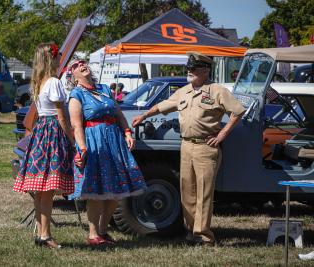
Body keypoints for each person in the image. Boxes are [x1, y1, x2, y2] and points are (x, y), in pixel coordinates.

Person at [132, 52, 246, 246]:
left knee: (203, 193)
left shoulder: (217, 91)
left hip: (205, 148)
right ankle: (191, 233)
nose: (189, 72)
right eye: (188, 69)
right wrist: (144, 115)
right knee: (187, 192)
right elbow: (162, 106)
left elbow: (237, 111)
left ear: (205, 70)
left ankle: (204, 236)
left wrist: (222, 135)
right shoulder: (183, 91)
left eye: (193, 69)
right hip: (186, 146)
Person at [67, 59, 146, 245]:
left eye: (84, 62)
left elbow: (118, 113)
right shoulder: (76, 94)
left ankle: (103, 231)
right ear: (72, 75)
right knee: (95, 190)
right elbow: (76, 125)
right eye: (77, 65)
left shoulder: (103, 88)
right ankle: (93, 235)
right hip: (93, 143)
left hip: (114, 141)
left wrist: (127, 132)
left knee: (116, 190)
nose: (82, 65)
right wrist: (82, 148)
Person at [13, 42, 74, 249]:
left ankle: (41, 233)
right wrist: (71, 138)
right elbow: (61, 116)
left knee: (41, 190)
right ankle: (46, 235)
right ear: (52, 59)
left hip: (41, 133)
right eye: (58, 56)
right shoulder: (55, 82)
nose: (60, 60)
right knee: (47, 189)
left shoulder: (39, 82)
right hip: (52, 133)